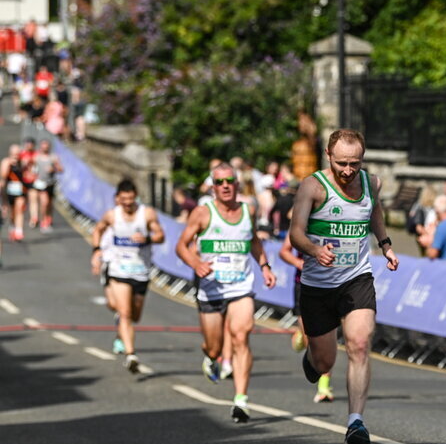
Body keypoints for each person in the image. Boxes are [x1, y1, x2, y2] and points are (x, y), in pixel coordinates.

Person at [289, 128, 399, 444]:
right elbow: (295, 233)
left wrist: (386, 244)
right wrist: (313, 249)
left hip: (356, 278)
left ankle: (355, 422)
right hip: (318, 284)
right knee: (324, 362)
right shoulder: (312, 187)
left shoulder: (372, 183)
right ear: (328, 156)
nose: (349, 171)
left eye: (355, 163)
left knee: (360, 343)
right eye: (342, 164)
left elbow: (373, 212)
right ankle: (313, 360)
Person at [175, 163, 277, 424]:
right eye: (219, 182)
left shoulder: (247, 210)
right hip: (211, 288)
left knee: (241, 336)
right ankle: (210, 355)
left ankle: (241, 400)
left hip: (241, 286)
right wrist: (195, 263)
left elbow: (253, 240)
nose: (225, 186)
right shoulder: (202, 213)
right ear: (213, 186)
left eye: (230, 181)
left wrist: (264, 266)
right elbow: (181, 246)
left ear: (237, 183)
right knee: (215, 345)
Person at [89, 179, 165, 373]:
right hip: (118, 269)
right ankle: (131, 355)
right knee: (125, 313)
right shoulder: (112, 216)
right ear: (118, 198)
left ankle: (121, 332)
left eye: (130, 199)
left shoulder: (146, 214)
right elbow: (98, 229)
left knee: (135, 315)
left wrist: (147, 238)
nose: (127, 203)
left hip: (140, 270)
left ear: (135, 197)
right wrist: (97, 251)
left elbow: (161, 235)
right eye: (123, 200)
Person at [279, 225, 334, 403]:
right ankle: (301, 337)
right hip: (304, 284)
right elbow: (284, 251)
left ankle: (324, 386)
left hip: (328, 285)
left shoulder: (336, 223)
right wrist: (298, 263)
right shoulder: (302, 223)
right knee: (310, 337)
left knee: (324, 336)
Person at [32, 139, 63, 233]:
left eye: (46, 145)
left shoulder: (53, 157)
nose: (44, 147)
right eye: (43, 145)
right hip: (41, 184)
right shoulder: (36, 157)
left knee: (49, 204)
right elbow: (30, 169)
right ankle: (43, 222)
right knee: (44, 203)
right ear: (40, 146)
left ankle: (49, 219)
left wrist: (53, 169)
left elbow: (61, 169)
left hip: (50, 183)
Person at [1, 143, 28, 242]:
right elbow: (3, 176)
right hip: (9, 191)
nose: (16, 156)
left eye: (18, 154)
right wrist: (9, 164)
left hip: (21, 191)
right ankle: (12, 226)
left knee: (19, 209)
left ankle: (19, 231)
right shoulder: (6, 162)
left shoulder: (23, 162)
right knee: (12, 213)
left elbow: (28, 175)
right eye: (14, 154)